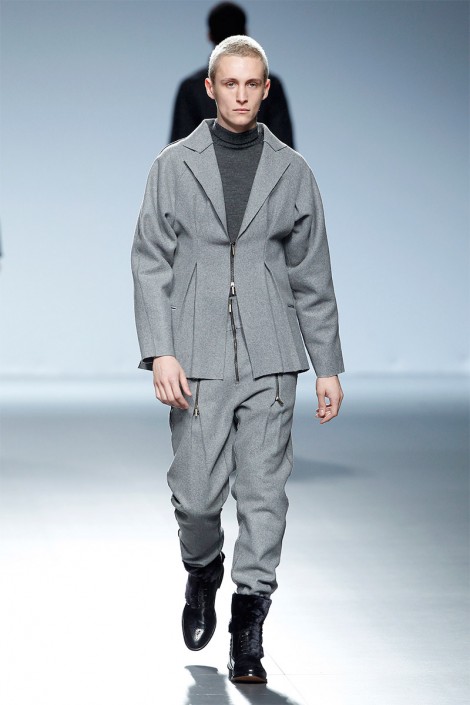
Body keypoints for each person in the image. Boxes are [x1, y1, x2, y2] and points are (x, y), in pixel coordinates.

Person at [131, 35, 345, 684]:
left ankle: (248, 627)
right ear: (211, 88)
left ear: (266, 90)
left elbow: (312, 273)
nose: (242, 95)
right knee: (197, 496)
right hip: (195, 353)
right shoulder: (173, 166)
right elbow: (150, 260)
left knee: (264, 497)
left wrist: (327, 364)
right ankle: (203, 570)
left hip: (271, 352)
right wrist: (160, 350)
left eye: (253, 84)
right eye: (231, 83)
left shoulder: (293, 171)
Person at [169, 2, 295, 148]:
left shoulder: (191, 88)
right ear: (246, 33)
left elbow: (180, 151)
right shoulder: (272, 86)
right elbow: (284, 149)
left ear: (209, 36)